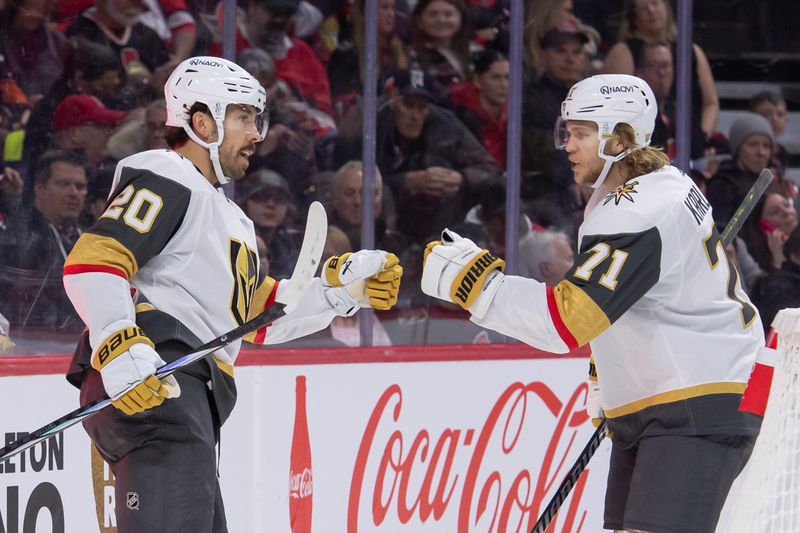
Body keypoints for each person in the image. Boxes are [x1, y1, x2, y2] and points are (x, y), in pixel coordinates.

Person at [61, 56, 402, 532]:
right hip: (162, 383)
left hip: (182, 397)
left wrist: (337, 292)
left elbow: (252, 317)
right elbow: (94, 261)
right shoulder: (169, 173)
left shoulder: (222, 213)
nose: (257, 133)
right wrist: (118, 341)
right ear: (202, 123)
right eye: (243, 117)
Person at [421, 74, 763, 533]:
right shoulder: (648, 188)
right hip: (664, 398)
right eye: (567, 131)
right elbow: (640, 295)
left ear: (620, 139)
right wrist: (609, 368)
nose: (567, 144)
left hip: (698, 405)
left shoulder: (638, 210)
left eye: (581, 133)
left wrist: (479, 285)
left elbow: (568, 321)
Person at [602, 0, 719, 138]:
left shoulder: (690, 51)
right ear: (634, 18)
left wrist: (701, 138)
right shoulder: (623, 52)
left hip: (688, 144)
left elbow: (710, 103)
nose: (651, 11)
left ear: (666, 8)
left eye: (655, 3)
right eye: (643, 8)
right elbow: (612, 107)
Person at [0, 149, 88, 331]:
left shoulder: (90, 237)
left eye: (80, 186)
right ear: (39, 188)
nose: (73, 193)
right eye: (63, 184)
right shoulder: (18, 239)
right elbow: (28, 308)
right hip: (34, 345)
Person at [706, 112, 775, 225]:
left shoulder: (774, 184)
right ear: (738, 148)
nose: (761, 152)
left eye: (766, 146)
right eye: (753, 144)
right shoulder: (722, 185)